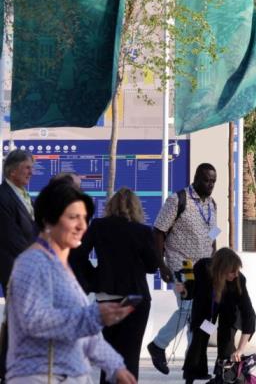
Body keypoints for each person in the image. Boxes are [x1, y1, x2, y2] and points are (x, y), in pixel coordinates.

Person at [5, 179, 136, 384]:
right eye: (73, 217)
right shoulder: (33, 263)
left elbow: (84, 335)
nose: (82, 225)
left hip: (67, 376)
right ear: (49, 220)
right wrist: (93, 315)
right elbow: (34, 320)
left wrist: (116, 366)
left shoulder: (60, 267)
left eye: (84, 217)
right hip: (42, 376)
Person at [70, 188, 160, 382]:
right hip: (136, 298)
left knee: (108, 355)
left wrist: (95, 278)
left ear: (110, 206)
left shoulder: (98, 226)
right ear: (136, 208)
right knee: (130, 355)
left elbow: (77, 256)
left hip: (106, 297)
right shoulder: (143, 231)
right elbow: (153, 266)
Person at [147, 163, 220, 375]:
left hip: (205, 266)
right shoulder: (177, 200)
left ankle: (193, 364)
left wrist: (214, 258)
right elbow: (158, 232)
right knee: (188, 310)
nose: (210, 185)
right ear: (196, 178)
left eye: (213, 181)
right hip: (183, 264)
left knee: (197, 316)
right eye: (207, 180)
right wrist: (161, 265)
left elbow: (213, 233)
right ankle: (158, 345)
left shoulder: (212, 204)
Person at [181, 248, 256, 383]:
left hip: (230, 311)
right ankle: (192, 375)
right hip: (207, 310)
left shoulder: (238, 281)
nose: (235, 274)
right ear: (220, 269)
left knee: (226, 342)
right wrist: (184, 291)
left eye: (237, 270)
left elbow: (249, 315)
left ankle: (225, 377)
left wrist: (240, 350)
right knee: (199, 339)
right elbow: (191, 289)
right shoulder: (203, 268)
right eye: (232, 271)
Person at [0, 149, 36, 292]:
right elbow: (11, 238)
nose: (31, 172)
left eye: (31, 168)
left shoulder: (24, 194)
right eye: (27, 168)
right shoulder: (2, 196)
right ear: (13, 171)